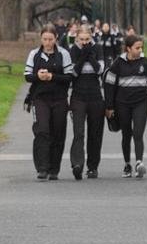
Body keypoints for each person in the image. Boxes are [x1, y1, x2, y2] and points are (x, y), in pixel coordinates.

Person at [102, 34, 147, 178]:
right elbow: (109, 85)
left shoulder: (144, 62)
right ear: (128, 49)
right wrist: (109, 106)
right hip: (122, 104)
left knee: (138, 133)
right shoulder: (118, 63)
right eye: (137, 48)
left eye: (141, 48)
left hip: (140, 103)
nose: (140, 50)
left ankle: (139, 163)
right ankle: (127, 164)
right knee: (126, 134)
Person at [23, 27, 73, 181]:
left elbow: (69, 77)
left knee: (58, 132)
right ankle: (42, 168)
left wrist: (52, 76)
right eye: (45, 39)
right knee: (42, 130)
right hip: (40, 99)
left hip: (59, 99)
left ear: (56, 38)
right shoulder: (34, 54)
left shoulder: (63, 54)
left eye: (50, 39)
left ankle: (54, 169)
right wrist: (38, 76)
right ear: (41, 39)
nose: (48, 42)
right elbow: (27, 76)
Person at [66, 24, 107, 180]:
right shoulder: (73, 50)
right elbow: (74, 72)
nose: (84, 42)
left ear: (91, 37)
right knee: (79, 132)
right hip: (78, 96)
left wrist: (89, 55)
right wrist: (83, 56)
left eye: (87, 39)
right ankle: (77, 164)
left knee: (95, 133)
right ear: (77, 38)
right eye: (81, 39)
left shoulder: (98, 48)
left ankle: (92, 167)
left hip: (95, 95)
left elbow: (99, 70)